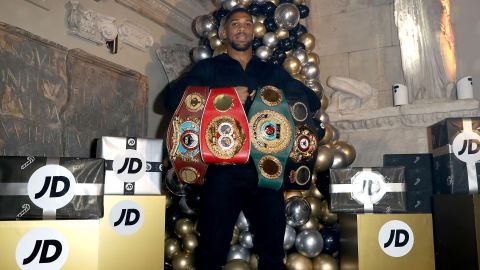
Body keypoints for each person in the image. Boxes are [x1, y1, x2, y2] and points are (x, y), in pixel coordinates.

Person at [165, 7, 320, 270]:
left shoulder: (271, 72)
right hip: (222, 172)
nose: (241, 28)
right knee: (211, 252)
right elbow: (171, 100)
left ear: (254, 31)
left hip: (266, 170)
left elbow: (311, 100)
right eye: (235, 24)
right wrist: (223, 95)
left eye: (247, 23)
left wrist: (272, 96)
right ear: (225, 33)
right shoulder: (209, 68)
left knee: (272, 253)